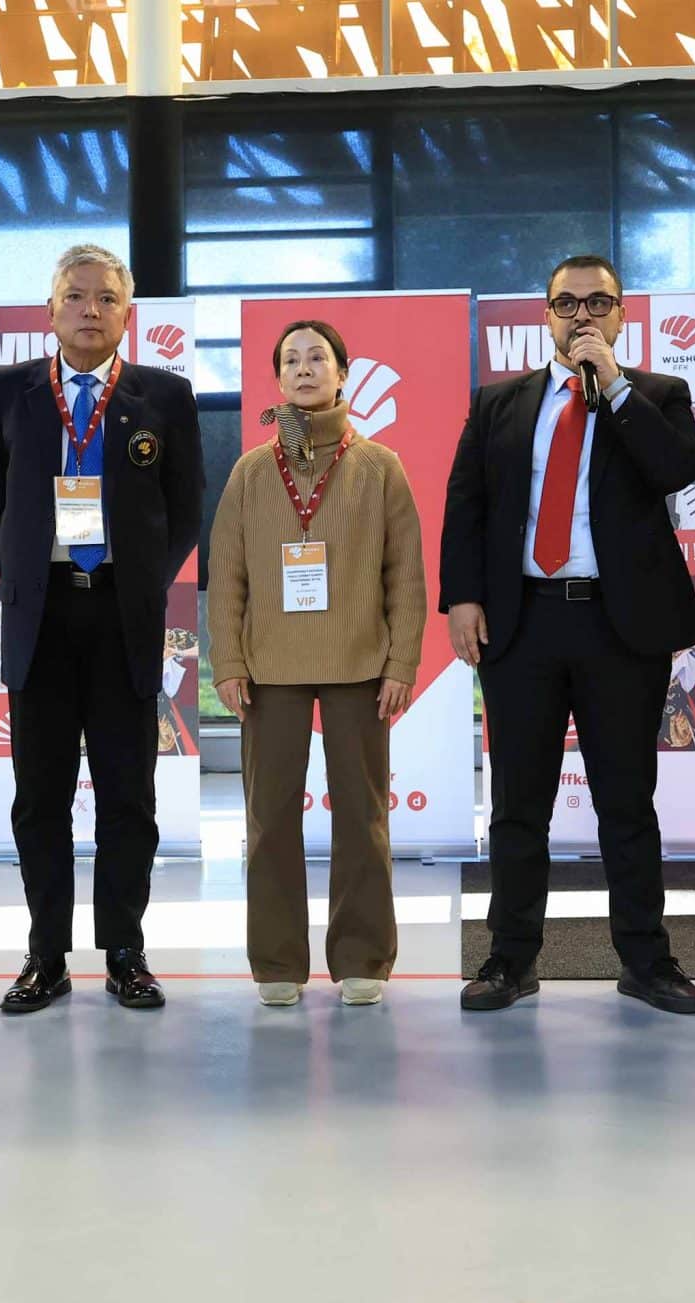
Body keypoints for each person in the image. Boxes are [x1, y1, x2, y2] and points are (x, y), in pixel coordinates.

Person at [441, 253, 695, 1012]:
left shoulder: (657, 393)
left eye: (597, 303)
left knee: (626, 802)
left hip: (619, 626)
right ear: (546, 315)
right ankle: (509, 958)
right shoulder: (498, 402)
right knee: (518, 804)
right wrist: (463, 600)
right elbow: (467, 506)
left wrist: (614, 387)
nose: (581, 315)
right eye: (567, 303)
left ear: (621, 315)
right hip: (522, 622)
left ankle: (647, 960)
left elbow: (676, 470)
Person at [0, 244, 204, 1014]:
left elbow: (185, 507)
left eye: (106, 297)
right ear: (51, 310)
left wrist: (138, 579)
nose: (90, 309)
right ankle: (46, 955)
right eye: (75, 295)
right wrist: (28, 571)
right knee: (38, 797)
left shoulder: (163, 395)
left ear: (127, 314)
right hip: (40, 617)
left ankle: (125, 952)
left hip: (122, 616)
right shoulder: (9, 391)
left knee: (128, 795)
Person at [209, 320, 427, 1007]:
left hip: (360, 663)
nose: (304, 369)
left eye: (317, 358)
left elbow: (406, 574)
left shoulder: (380, 465)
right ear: (278, 378)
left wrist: (401, 661)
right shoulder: (250, 471)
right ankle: (277, 962)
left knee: (362, 817)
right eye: (291, 360)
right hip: (269, 667)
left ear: (342, 373)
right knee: (270, 818)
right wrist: (228, 660)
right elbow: (227, 573)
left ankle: (364, 957)